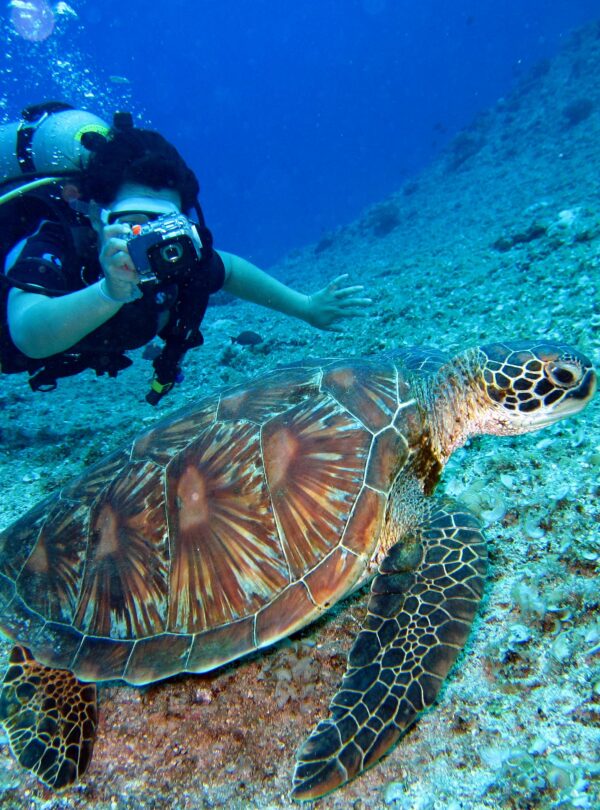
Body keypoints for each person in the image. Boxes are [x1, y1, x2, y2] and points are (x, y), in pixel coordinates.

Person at [0, 108, 369, 404]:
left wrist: (305, 307)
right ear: (96, 215)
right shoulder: (54, 240)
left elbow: (231, 270)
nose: (149, 240)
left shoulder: (175, 260)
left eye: (165, 224)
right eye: (132, 222)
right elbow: (29, 334)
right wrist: (108, 293)